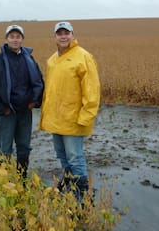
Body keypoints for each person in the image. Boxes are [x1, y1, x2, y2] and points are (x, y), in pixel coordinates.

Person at [39, 21, 101, 201]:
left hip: (74, 119)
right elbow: (51, 90)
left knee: (75, 157)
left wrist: (86, 117)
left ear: (73, 35)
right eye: (59, 33)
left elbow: (92, 90)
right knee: (62, 155)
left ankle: (82, 193)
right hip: (56, 120)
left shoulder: (83, 57)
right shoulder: (52, 60)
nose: (63, 36)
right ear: (55, 37)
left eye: (67, 33)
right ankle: (69, 182)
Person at [0, 24, 44, 180]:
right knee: (6, 150)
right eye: (12, 36)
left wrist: (34, 101)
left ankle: (22, 180)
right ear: (6, 39)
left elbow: (39, 82)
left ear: (22, 39)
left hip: (25, 113)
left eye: (18, 36)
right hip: (7, 114)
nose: (15, 40)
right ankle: (5, 183)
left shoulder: (29, 59)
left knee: (24, 148)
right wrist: (1, 109)